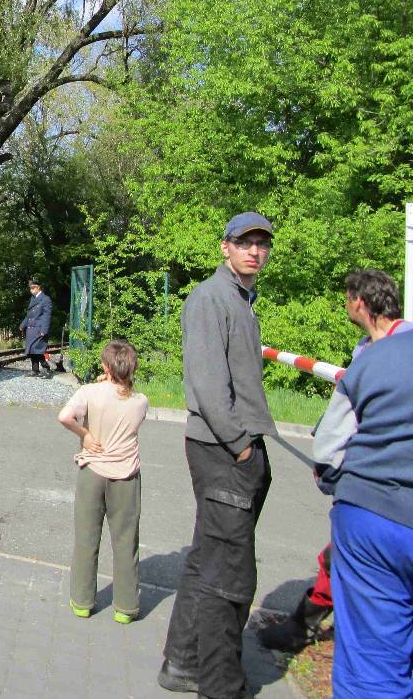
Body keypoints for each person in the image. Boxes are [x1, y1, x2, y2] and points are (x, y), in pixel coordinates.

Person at [259, 268, 411, 652]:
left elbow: (342, 428)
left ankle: (313, 630)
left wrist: (330, 463)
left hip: (383, 491)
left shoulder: (390, 351)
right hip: (372, 487)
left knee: (358, 569)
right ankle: (306, 624)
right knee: (338, 557)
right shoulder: (370, 347)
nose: (345, 305)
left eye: (346, 298)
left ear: (359, 301)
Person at [159, 212, 278, 698]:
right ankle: (220, 685)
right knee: (230, 574)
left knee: (208, 558)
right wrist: (242, 446)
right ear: (225, 247)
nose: (254, 251)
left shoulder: (240, 300)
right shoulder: (211, 298)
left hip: (231, 448)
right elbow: (209, 386)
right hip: (224, 450)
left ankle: (183, 664)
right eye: (244, 242)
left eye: (262, 243)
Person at [322, 328, 413, 695]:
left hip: (374, 516)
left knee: (371, 668)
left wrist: (331, 479)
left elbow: (328, 448)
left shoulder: (376, 357)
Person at [58, 339, 149, 624]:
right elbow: (122, 394)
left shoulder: (89, 392)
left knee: (86, 538)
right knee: (126, 541)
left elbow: (65, 417)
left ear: (105, 367)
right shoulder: (140, 402)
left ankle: (82, 602)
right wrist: (113, 381)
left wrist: (84, 435)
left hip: (93, 473)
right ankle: (126, 608)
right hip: (126, 477)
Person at [19, 278, 52, 375]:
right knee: (31, 350)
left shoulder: (45, 299)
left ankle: (46, 367)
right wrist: (23, 324)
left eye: (32, 288)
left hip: (39, 328)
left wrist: (44, 330)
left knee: (38, 350)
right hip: (31, 328)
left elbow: (47, 316)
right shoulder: (33, 299)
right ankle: (35, 370)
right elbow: (29, 315)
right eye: (30, 288)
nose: (31, 290)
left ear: (38, 288)